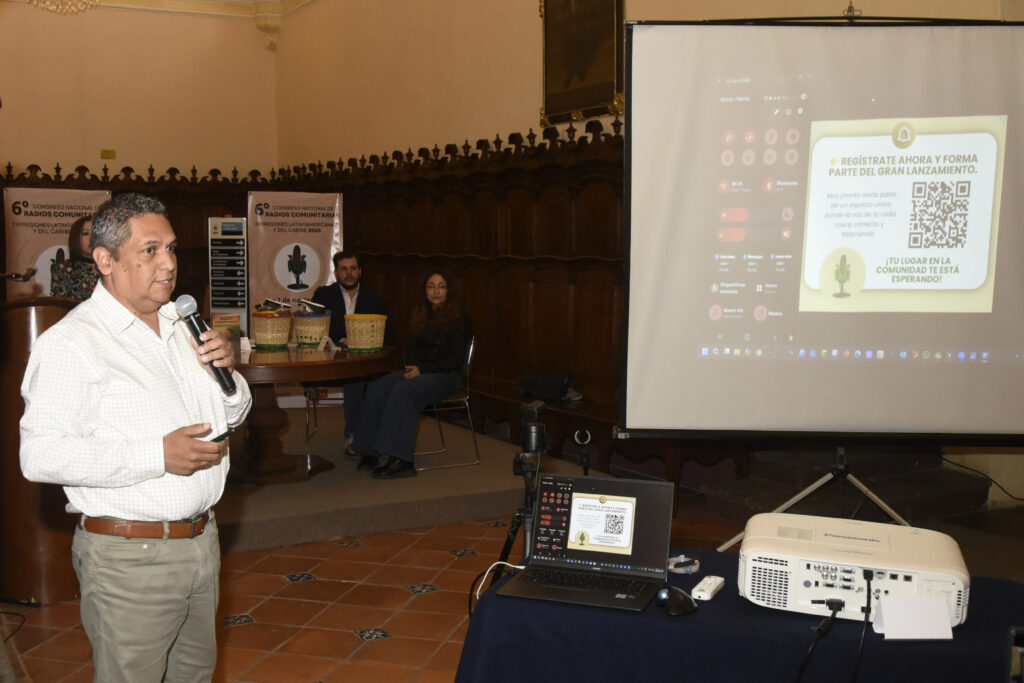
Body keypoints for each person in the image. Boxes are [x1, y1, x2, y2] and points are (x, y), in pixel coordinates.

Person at [20, 193, 252, 683]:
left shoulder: (182, 324)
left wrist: (229, 377)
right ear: (105, 260)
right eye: (150, 250)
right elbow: (39, 455)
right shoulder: (72, 343)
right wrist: (157, 455)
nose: (169, 264)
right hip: (130, 558)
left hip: (201, 542)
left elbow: (232, 414)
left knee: (195, 675)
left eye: (171, 248)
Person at [348, 269, 471, 479]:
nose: (436, 291)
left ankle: (401, 460)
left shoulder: (460, 319)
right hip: (419, 372)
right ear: (425, 291)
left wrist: (422, 370)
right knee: (377, 387)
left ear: (449, 290)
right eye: (431, 286)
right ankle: (370, 450)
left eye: (441, 286)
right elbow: (412, 350)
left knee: (403, 390)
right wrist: (413, 367)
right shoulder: (420, 314)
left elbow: (456, 359)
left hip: (446, 376)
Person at [311, 250, 390, 453]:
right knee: (354, 378)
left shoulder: (374, 298)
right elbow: (315, 331)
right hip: (332, 360)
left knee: (358, 378)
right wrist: (339, 342)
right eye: (344, 269)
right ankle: (355, 435)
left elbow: (385, 334)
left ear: (360, 271)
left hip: (364, 360)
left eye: (353, 268)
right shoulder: (323, 295)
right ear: (336, 273)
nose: (349, 273)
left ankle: (361, 435)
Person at [50, 214, 100, 300]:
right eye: (85, 233)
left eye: (95, 233)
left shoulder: (113, 268)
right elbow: (59, 305)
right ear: (76, 237)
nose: (91, 238)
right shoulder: (63, 270)